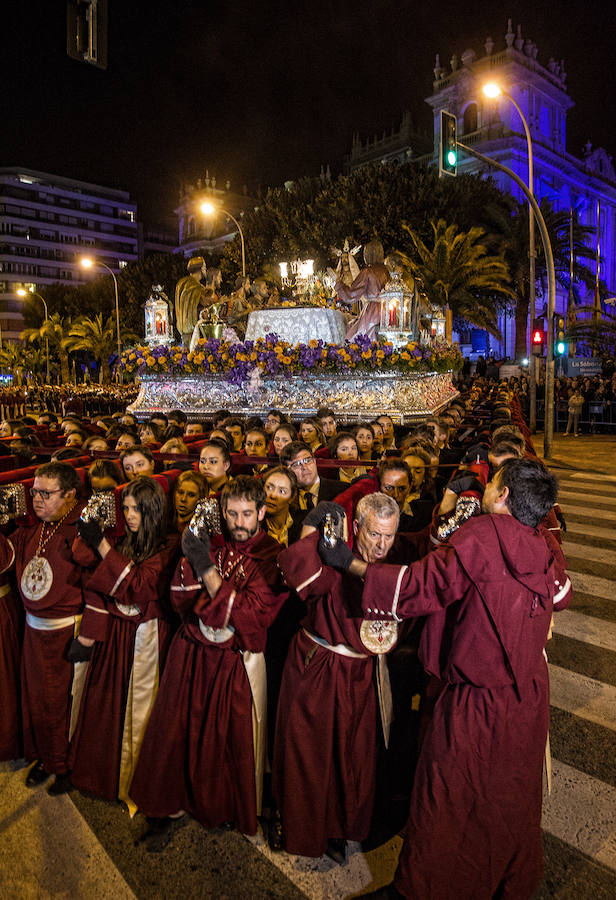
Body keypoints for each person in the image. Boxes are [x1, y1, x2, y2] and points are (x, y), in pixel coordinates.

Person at [322, 458, 571, 900]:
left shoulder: (480, 538)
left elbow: (419, 587)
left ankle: (426, 886)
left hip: (475, 700)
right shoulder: (542, 546)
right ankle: (507, 878)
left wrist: (353, 566)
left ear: (504, 496)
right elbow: (561, 595)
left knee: (448, 796)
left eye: (492, 483)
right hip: (527, 695)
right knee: (511, 795)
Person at [130, 476, 287, 847]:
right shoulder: (210, 544)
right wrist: (193, 562)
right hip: (192, 652)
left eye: (247, 513)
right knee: (175, 732)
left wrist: (206, 572)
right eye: (231, 512)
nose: (238, 521)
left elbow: (253, 615)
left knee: (225, 740)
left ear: (262, 512)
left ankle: (218, 808)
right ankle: (165, 808)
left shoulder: (271, 554)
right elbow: (180, 600)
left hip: (235, 662)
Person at [272, 493, 401, 862]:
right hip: (319, 667)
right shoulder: (332, 558)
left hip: (361, 673)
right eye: (374, 534)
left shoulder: (390, 567)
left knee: (352, 757)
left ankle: (341, 827)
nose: (381, 545)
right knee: (308, 755)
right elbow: (293, 570)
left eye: (388, 536)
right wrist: (313, 530)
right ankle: (300, 827)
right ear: (356, 527)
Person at [67, 477, 179, 809]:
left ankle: (139, 783)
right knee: (107, 707)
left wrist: (102, 545)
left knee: (143, 714)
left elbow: (139, 586)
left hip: (147, 637)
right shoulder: (123, 539)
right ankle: (102, 776)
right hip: (116, 635)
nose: (130, 516)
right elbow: (89, 569)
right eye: (126, 508)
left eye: (137, 510)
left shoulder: (169, 544)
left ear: (153, 511)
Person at [0, 462, 89, 793]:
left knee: (63, 703)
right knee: (36, 699)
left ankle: (65, 764)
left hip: (66, 632)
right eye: (35, 491)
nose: (36, 499)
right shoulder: (31, 528)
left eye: (45, 493)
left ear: (69, 496)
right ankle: (45, 757)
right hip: (33, 631)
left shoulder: (79, 530)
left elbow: (95, 586)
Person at [333, 239, 390, 340]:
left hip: (372, 312)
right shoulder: (387, 271)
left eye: (365, 253)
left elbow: (351, 295)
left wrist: (338, 284)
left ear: (369, 254)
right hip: (388, 310)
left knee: (354, 338)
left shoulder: (367, 271)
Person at [280, 441, 341, 511]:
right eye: (296, 464)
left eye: (307, 460)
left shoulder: (341, 491)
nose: (304, 467)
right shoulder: (285, 500)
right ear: (288, 471)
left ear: (314, 461)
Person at [174, 256, 211, 347]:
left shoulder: (181, 283)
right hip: (194, 330)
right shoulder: (197, 287)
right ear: (200, 268)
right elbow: (205, 303)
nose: (205, 269)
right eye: (204, 267)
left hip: (182, 328)